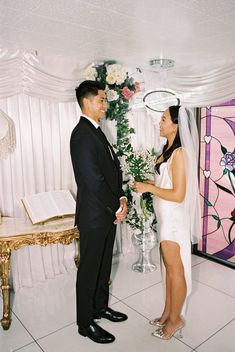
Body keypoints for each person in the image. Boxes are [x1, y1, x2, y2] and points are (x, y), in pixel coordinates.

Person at [134, 105, 200, 340]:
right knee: (167, 271)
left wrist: (149, 187)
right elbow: (164, 183)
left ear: (176, 125)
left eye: (163, 119)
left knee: (175, 271)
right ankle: (166, 313)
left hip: (173, 220)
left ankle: (176, 319)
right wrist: (147, 183)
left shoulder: (180, 154)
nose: (158, 123)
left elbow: (178, 194)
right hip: (164, 218)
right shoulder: (166, 151)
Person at [70, 80, 128, 344]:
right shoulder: (81, 134)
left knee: (104, 266)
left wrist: (122, 198)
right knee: (89, 270)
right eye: (101, 100)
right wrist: (116, 205)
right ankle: (85, 323)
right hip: (94, 217)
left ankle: (100, 307)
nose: (105, 105)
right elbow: (93, 181)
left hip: (107, 213)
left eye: (104, 100)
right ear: (87, 102)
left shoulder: (97, 131)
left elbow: (112, 171)